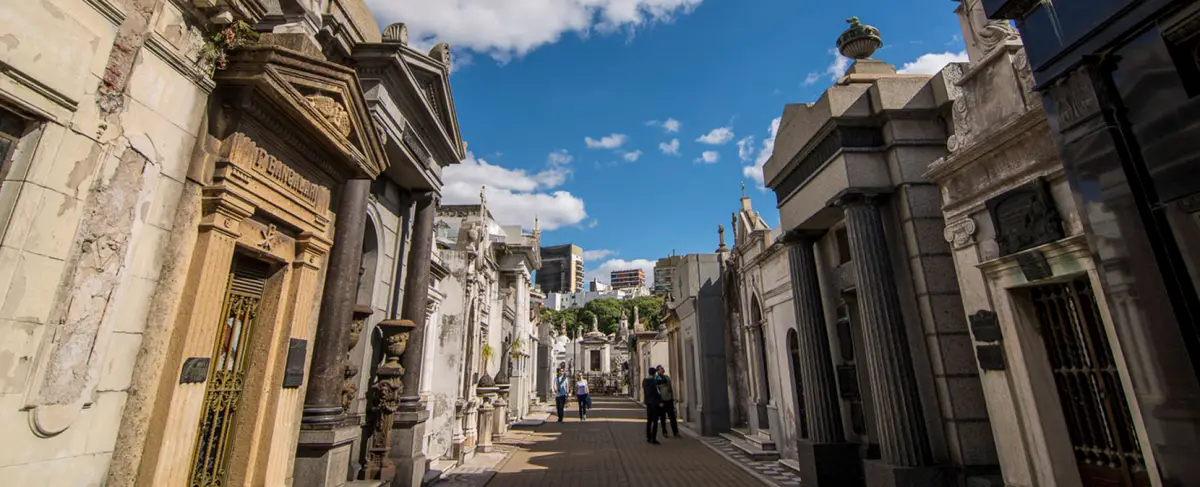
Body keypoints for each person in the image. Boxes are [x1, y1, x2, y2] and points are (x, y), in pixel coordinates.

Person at [655, 365, 679, 438]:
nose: (663, 370)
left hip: (669, 399)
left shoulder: (667, 377)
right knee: (663, 417)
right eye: (661, 369)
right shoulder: (656, 379)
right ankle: (664, 431)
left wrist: (673, 397)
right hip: (662, 401)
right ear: (658, 371)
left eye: (663, 368)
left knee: (672, 417)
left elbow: (670, 387)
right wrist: (659, 401)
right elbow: (656, 391)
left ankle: (676, 432)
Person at [642, 367, 663, 444]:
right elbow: (657, 392)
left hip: (648, 402)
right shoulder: (654, 381)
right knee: (655, 421)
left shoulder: (644, 381)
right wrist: (660, 401)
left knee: (649, 420)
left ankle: (648, 436)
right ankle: (653, 438)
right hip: (654, 403)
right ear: (654, 373)